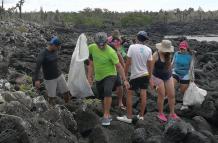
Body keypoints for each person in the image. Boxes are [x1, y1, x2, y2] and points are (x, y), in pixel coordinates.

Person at [87, 32, 130, 126]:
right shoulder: (92, 48)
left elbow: (119, 66)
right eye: (99, 44)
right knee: (101, 96)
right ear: (96, 42)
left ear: (107, 41)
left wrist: (125, 79)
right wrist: (89, 78)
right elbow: (90, 64)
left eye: (103, 44)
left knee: (107, 91)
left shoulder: (111, 51)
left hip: (111, 74)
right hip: (99, 76)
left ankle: (106, 115)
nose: (101, 46)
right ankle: (107, 113)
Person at [117, 31, 152, 123]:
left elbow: (128, 63)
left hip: (135, 75)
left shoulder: (132, 47)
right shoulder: (149, 50)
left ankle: (129, 117)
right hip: (145, 74)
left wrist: (125, 76)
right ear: (145, 40)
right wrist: (150, 76)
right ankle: (141, 116)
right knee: (143, 94)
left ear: (137, 38)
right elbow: (149, 66)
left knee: (129, 94)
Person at [33, 36, 70, 105]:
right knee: (52, 97)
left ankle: (68, 105)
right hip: (49, 79)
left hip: (59, 75)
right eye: (57, 47)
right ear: (52, 45)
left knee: (66, 92)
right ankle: (51, 111)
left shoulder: (55, 50)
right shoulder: (43, 53)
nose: (59, 48)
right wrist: (36, 80)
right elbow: (37, 67)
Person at [150, 40, 179, 122]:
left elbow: (169, 66)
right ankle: (160, 113)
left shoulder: (168, 54)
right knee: (161, 95)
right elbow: (150, 69)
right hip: (157, 77)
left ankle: (172, 113)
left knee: (172, 95)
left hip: (168, 76)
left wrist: (172, 75)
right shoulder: (155, 55)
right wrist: (151, 81)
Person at [108, 30, 126, 109]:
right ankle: (120, 102)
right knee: (119, 83)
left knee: (115, 83)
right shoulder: (118, 40)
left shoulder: (108, 39)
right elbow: (119, 54)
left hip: (108, 62)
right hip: (114, 61)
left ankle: (116, 101)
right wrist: (124, 68)